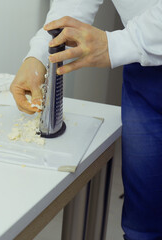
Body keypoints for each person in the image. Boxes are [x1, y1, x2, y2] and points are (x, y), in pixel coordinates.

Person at [9, 0, 162, 239]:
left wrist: (117, 43)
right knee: (143, 225)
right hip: (144, 72)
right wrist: (38, 55)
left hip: (137, 47)